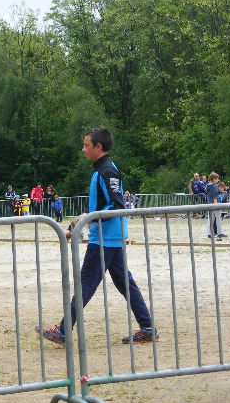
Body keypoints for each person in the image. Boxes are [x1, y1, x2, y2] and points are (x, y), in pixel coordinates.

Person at [37, 127, 157, 345]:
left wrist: (84, 224)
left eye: (86, 145)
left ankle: (63, 331)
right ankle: (147, 327)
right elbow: (101, 206)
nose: (83, 149)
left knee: (86, 284)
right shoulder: (104, 169)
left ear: (98, 147)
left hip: (105, 239)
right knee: (125, 284)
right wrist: (76, 228)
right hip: (109, 237)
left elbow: (115, 205)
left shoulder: (106, 171)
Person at [205, 172, 226, 240]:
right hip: (215, 204)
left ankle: (209, 233)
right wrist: (216, 204)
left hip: (209, 204)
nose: (218, 180)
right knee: (218, 218)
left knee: (210, 219)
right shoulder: (214, 186)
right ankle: (219, 233)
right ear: (214, 179)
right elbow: (215, 196)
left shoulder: (207, 186)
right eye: (217, 179)